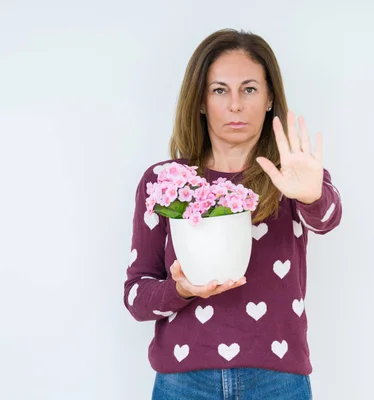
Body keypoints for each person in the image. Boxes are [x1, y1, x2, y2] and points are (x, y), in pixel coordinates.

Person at [123, 28, 342, 399]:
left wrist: (311, 194)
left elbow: (327, 218)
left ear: (270, 97)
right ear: (201, 101)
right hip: (184, 381)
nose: (236, 105)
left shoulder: (292, 175)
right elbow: (136, 296)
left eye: (250, 89)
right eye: (220, 90)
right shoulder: (163, 182)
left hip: (278, 379)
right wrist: (181, 289)